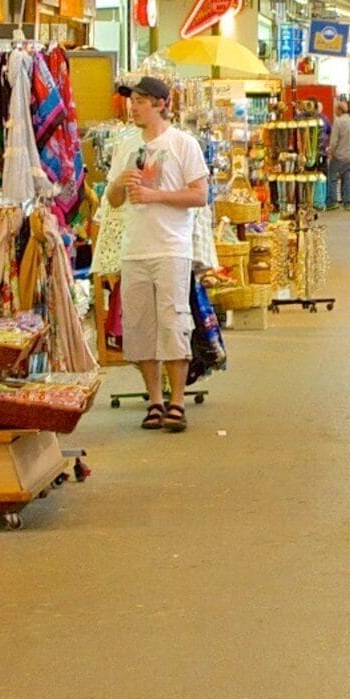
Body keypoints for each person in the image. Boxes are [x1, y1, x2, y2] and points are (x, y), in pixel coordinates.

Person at [110, 74, 214, 431]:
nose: (133, 107)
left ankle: (177, 401)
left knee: (173, 323)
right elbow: (112, 201)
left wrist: (156, 196)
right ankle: (153, 400)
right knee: (140, 328)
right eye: (132, 101)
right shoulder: (125, 145)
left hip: (171, 247)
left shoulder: (183, 144)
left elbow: (199, 195)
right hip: (134, 249)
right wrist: (119, 184)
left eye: (140, 101)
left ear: (160, 104)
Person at [325, 101, 350, 208]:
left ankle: (332, 202)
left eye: (335, 109)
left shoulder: (338, 122)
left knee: (332, 177)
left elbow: (334, 141)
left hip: (339, 157)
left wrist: (330, 151)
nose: (334, 111)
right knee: (348, 178)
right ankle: (347, 201)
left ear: (339, 110)